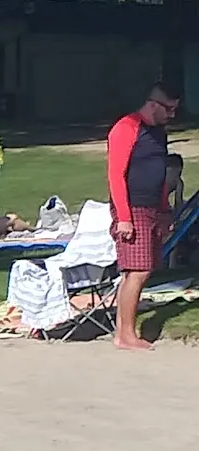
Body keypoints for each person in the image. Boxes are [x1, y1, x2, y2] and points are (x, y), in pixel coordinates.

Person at [104, 82, 181, 349]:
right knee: (137, 270)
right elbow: (116, 174)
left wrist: (164, 209)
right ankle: (125, 335)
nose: (171, 115)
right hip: (132, 207)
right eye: (168, 109)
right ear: (153, 104)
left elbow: (158, 175)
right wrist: (123, 216)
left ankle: (124, 330)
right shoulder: (126, 128)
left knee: (140, 271)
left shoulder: (158, 133)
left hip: (151, 207)